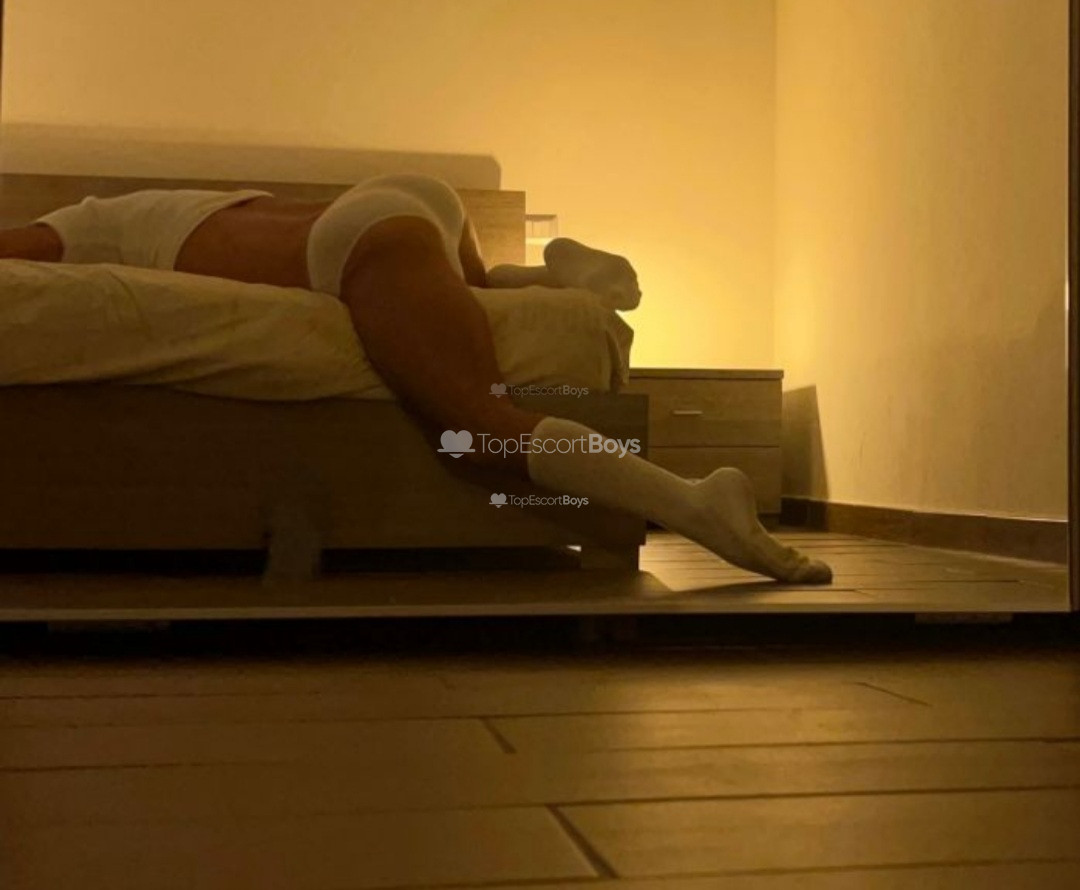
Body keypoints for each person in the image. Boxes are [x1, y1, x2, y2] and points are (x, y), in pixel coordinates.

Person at [0, 173, 831, 584]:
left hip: (363, 239)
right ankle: (554, 276)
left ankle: (695, 501)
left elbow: (18, 250)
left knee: (473, 428)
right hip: (408, 205)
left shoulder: (83, 225)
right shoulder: (169, 206)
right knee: (470, 292)